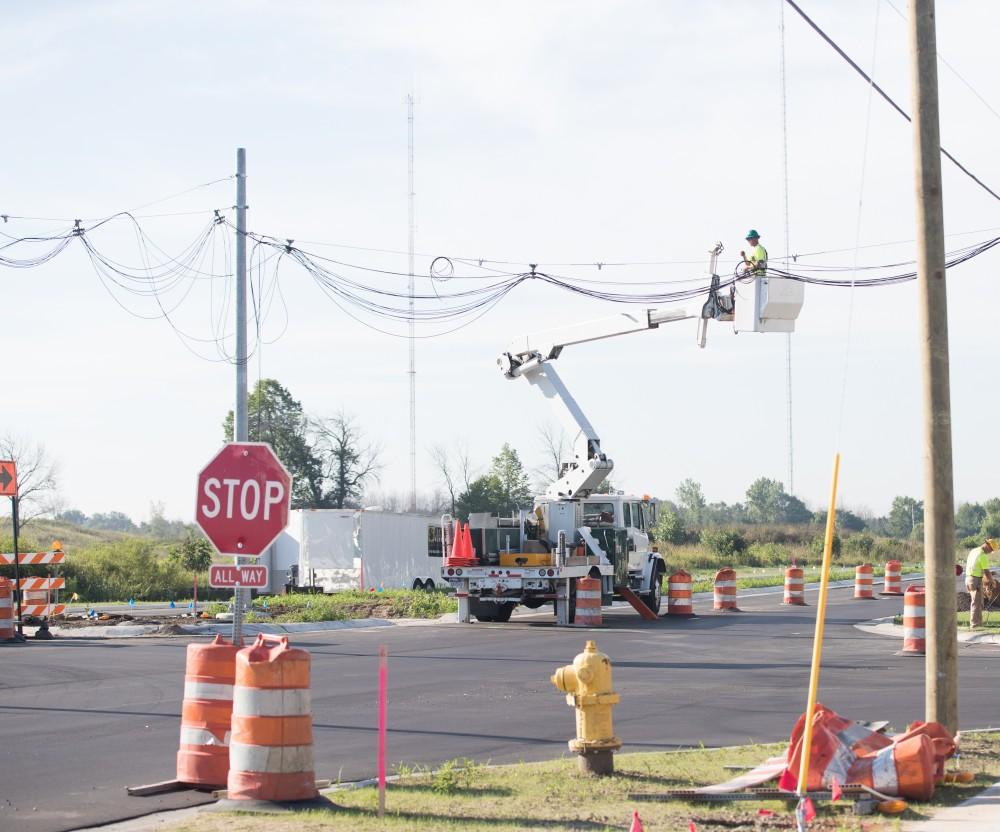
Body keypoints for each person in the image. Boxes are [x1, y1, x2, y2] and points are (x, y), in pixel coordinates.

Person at [965, 538, 997, 629]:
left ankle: (978, 623)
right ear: (987, 545)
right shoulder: (982, 555)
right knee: (976, 603)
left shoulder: (973, 551)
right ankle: (975, 625)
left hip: (968, 579)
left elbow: (977, 567)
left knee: (978, 602)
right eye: (991, 550)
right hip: (975, 580)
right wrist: (992, 582)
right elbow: (986, 572)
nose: (990, 552)